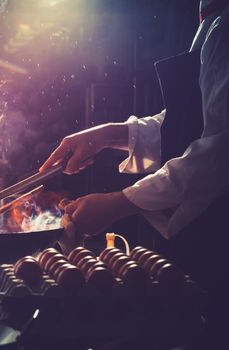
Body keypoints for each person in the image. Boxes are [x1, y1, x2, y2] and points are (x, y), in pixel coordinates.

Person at [41, 0, 229, 342]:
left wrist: (121, 201)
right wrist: (108, 134)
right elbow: (185, 125)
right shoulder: (213, 18)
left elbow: (221, 151)